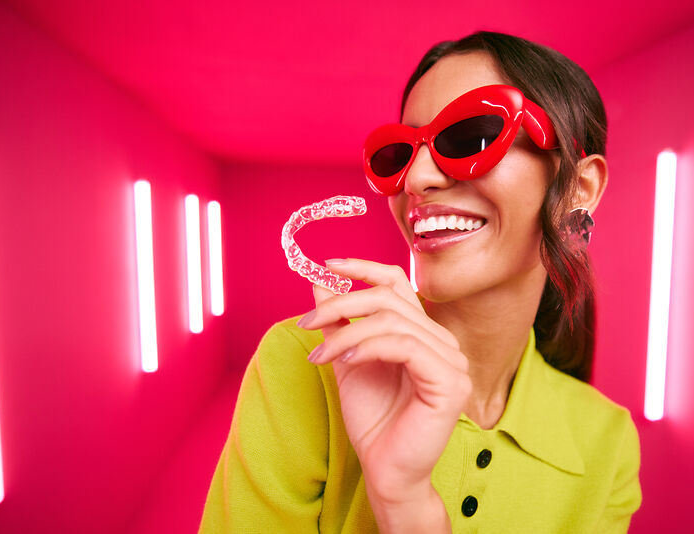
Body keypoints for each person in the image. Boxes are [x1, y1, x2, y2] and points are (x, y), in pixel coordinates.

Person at [199, 31, 641, 533]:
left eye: (472, 135)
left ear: (577, 190)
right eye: (399, 154)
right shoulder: (308, 364)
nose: (416, 179)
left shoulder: (609, 444)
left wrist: (407, 506)